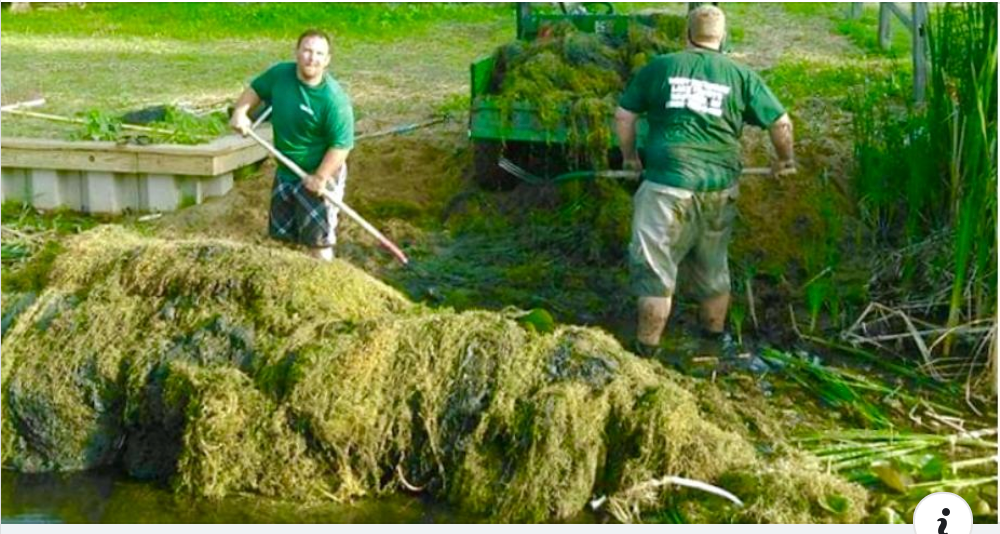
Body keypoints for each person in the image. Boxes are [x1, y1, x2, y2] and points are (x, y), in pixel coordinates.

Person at [614, 5, 796, 357]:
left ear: (687, 34)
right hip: (719, 188)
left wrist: (630, 158)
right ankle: (711, 348)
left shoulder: (661, 66)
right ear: (723, 38)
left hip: (666, 186)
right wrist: (786, 161)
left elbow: (624, 115)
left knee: (655, 273)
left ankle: (646, 353)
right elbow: (781, 123)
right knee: (713, 271)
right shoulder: (741, 75)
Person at [230, 29, 354, 261]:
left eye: (319, 53)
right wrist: (240, 111)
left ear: (327, 60)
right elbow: (256, 89)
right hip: (286, 171)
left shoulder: (334, 100)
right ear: (297, 52)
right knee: (282, 239)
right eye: (307, 50)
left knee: (318, 241)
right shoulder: (280, 75)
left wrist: (320, 176)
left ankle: (325, 286)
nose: (311, 58)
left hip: (320, 172)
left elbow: (342, 146)